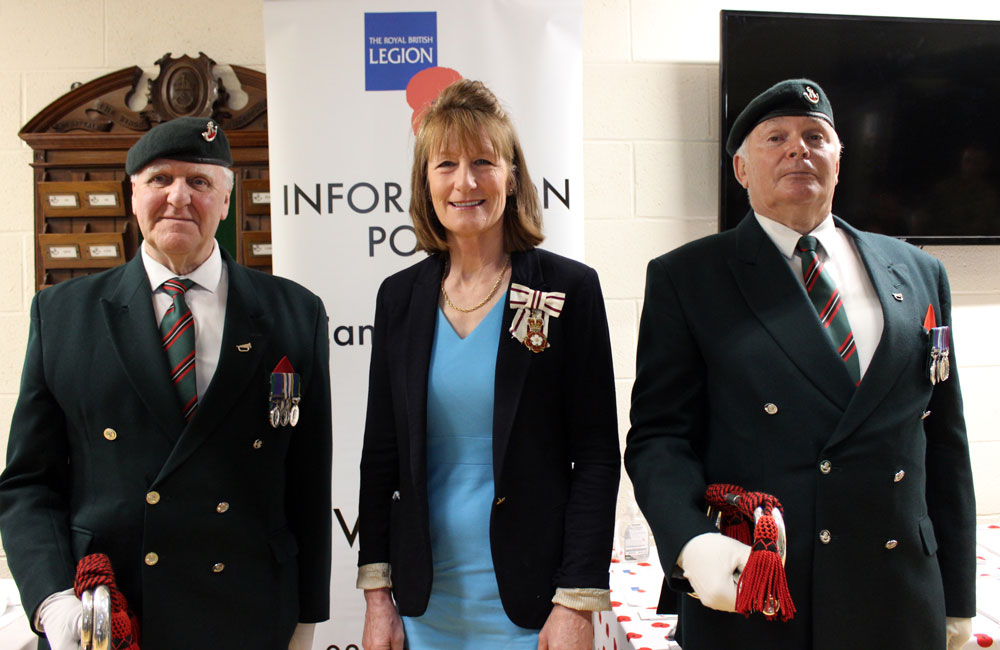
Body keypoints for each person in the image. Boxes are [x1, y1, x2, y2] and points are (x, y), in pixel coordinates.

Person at [625, 79, 975, 649]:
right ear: (741, 169)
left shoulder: (917, 271)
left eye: (816, 136)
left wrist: (957, 595)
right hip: (762, 593)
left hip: (899, 596)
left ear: (840, 160)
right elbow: (659, 438)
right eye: (776, 137)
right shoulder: (689, 278)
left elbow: (945, 442)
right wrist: (690, 542)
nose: (798, 148)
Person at [0, 117, 332, 650]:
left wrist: (306, 620)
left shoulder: (294, 314)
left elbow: (308, 480)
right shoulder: (63, 316)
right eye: (159, 179)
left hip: (248, 616)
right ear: (133, 195)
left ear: (226, 200)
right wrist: (52, 599)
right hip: (111, 621)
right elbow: (27, 484)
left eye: (200, 182)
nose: (179, 197)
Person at [356, 79, 620, 650]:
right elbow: (381, 455)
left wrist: (577, 599)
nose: (465, 181)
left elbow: (597, 456)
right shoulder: (398, 297)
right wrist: (378, 595)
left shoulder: (568, 289)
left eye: (483, 161)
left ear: (513, 174)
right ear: (426, 183)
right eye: (445, 164)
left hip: (536, 607)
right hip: (425, 603)